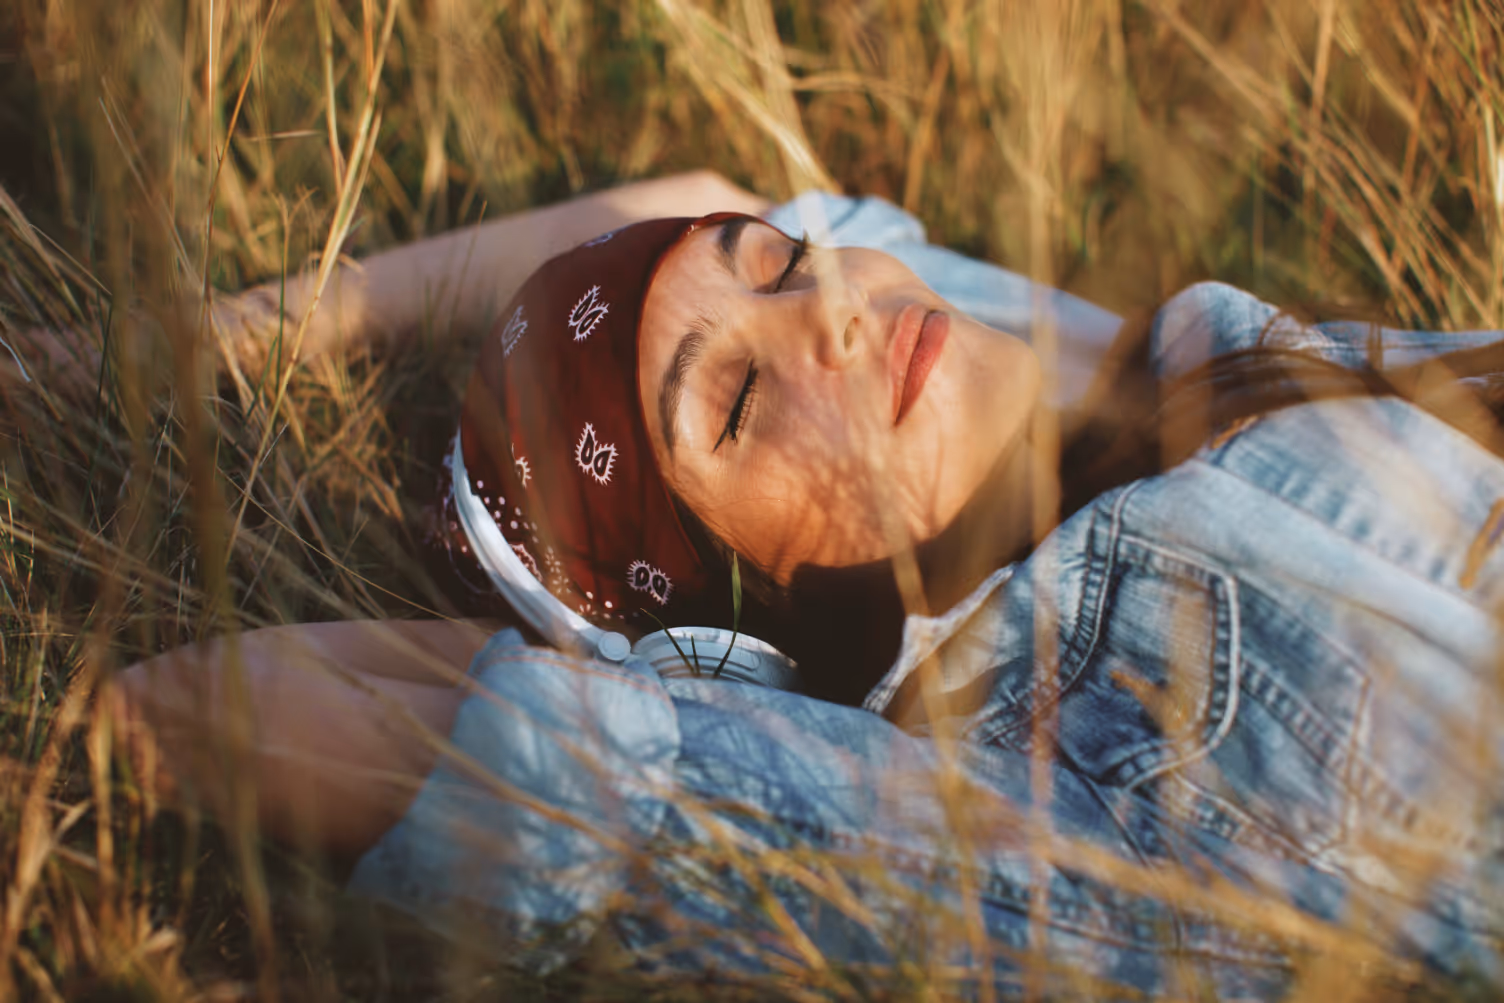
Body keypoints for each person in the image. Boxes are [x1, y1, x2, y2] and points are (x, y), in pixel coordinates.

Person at [111, 172, 1504, 997]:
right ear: (745, 640)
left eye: (777, 265)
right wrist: (587, 644)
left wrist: (120, 355)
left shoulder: (1078, 366)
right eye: (735, 407)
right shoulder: (1058, 784)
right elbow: (229, 711)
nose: (831, 308)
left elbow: (681, 199)